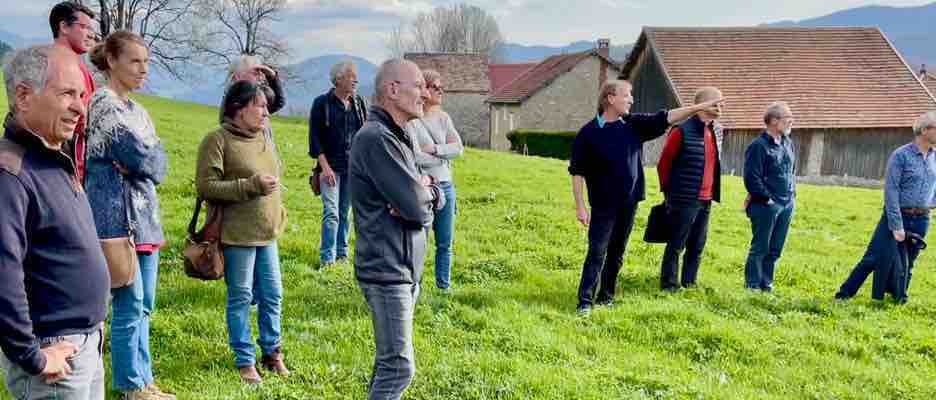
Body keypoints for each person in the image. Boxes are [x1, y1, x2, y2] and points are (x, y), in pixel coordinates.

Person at [0, 45, 110, 400]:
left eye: (81, 94)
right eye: (66, 94)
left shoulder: (50, 155)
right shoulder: (10, 173)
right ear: (24, 96)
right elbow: (2, 273)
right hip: (54, 359)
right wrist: (31, 356)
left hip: (84, 344)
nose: (81, 106)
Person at [568, 79, 724, 315]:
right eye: (627, 95)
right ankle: (584, 302)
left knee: (617, 252)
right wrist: (580, 207)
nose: (631, 99)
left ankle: (606, 296)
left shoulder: (634, 125)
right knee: (597, 252)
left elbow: (667, 117)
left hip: (629, 203)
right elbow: (577, 172)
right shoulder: (589, 133)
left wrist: (697, 108)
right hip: (603, 205)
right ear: (610, 98)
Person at [85, 31, 173, 400]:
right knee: (128, 303)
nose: (143, 69)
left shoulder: (139, 111)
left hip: (145, 220)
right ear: (112, 61)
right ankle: (130, 385)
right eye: (135, 61)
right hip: (116, 221)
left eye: (147, 61)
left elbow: (159, 163)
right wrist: (144, 158)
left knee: (145, 305)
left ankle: (145, 378)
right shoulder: (104, 104)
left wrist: (145, 159)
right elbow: (141, 155)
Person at [350, 59, 444, 400]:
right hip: (387, 268)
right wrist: (424, 197)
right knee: (399, 367)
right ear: (393, 90)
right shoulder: (378, 139)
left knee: (388, 363)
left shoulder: (398, 134)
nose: (425, 94)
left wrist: (428, 190)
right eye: (418, 86)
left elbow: (428, 198)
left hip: (404, 266)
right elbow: (419, 209)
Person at [196, 80, 289, 384]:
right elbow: (206, 187)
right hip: (238, 236)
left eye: (266, 106)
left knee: (273, 295)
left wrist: (278, 210)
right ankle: (245, 359)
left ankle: (272, 353)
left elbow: (275, 177)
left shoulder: (264, 137)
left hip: (268, 234)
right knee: (241, 297)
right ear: (238, 108)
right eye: (259, 105)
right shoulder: (217, 140)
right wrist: (250, 186)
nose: (266, 112)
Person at [835, 111, 936, 302]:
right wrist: (896, 225)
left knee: (909, 260)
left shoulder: (934, 157)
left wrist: (929, 205)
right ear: (924, 130)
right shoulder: (901, 156)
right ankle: (844, 294)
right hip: (898, 215)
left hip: (922, 218)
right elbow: (891, 191)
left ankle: (899, 297)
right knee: (873, 257)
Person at [656, 87, 724, 292]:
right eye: (717, 102)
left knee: (697, 244)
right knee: (676, 243)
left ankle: (689, 282)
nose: (721, 106)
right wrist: (670, 194)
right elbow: (664, 164)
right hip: (683, 198)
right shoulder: (680, 131)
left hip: (707, 199)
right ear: (703, 105)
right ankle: (669, 285)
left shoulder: (717, 130)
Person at [405, 69, 463, 291]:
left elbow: (458, 149)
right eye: (435, 87)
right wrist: (441, 154)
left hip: (447, 186)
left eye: (442, 87)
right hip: (426, 185)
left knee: (445, 243)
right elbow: (415, 155)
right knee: (421, 240)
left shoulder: (443, 117)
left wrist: (436, 149)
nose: (441, 91)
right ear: (424, 89)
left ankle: (443, 287)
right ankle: (415, 285)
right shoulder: (413, 121)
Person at [309, 60, 368, 267]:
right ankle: (327, 258)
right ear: (339, 79)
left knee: (345, 212)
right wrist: (324, 168)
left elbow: (364, 136)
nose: (356, 80)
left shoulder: (359, 104)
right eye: (351, 76)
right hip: (330, 167)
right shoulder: (321, 104)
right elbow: (314, 140)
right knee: (331, 213)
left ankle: (342, 255)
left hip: (353, 168)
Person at [743, 101, 797, 292]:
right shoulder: (758, 146)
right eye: (787, 118)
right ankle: (752, 286)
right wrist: (767, 199)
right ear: (774, 121)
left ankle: (767, 284)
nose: (791, 121)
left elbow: (791, 171)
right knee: (760, 248)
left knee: (775, 249)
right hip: (766, 205)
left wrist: (792, 197)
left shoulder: (787, 143)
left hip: (787, 203)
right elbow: (751, 178)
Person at [50, 1, 98, 185]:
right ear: (64, 26)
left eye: (91, 29)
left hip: (78, 167)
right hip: (60, 168)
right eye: (84, 27)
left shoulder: (81, 68)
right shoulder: (51, 66)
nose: (91, 34)